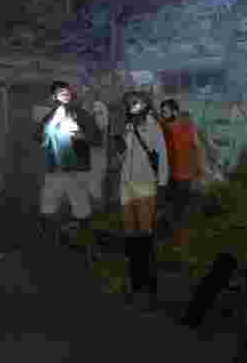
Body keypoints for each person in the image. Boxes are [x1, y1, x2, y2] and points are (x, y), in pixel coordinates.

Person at [33, 81, 102, 254]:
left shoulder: (81, 115)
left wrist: (80, 136)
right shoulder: (50, 116)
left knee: (80, 209)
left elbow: (96, 139)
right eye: (57, 94)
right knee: (48, 208)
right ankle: (51, 248)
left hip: (76, 171)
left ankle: (86, 247)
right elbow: (37, 136)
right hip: (56, 170)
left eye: (65, 92)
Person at [118, 90, 169, 311]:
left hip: (145, 184)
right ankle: (134, 282)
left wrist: (163, 184)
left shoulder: (153, 126)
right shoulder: (128, 126)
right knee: (130, 235)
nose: (132, 106)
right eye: (129, 103)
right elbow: (125, 155)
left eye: (135, 103)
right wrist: (119, 149)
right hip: (126, 185)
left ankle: (149, 287)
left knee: (145, 235)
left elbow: (163, 155)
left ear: (144, 105)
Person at [157, 98, 202, 248]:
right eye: (162, 111)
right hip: (169, 175)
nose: (163, 114)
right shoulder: (163, 128)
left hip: (183, 175)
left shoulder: (187, 127)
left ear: (175, 111)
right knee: (168, 208)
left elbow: (196, 148)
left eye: (166, 111)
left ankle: (177, 240)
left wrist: (197, 169)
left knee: (179, 210)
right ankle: (170, 239)